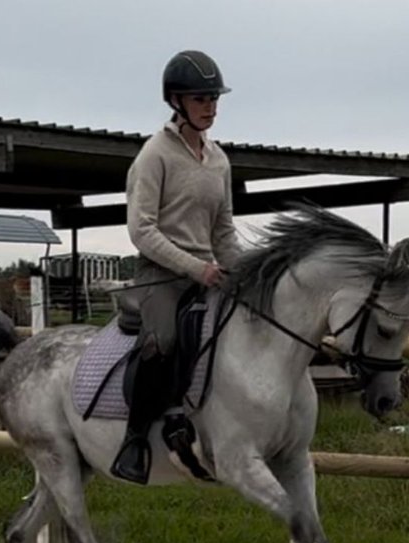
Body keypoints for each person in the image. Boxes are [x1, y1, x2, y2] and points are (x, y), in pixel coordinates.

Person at [110, 49, 245, 484]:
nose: (211, 107)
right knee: (163, 339)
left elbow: (223, 231)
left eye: (214, 98)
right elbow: (141, 230)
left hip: (207, 271)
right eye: (202, 98)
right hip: (161, 275)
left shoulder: (219, 160)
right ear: (177, 102)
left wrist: (246, 274)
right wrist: (194, 267)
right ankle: (134, 440)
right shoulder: (154, 155)